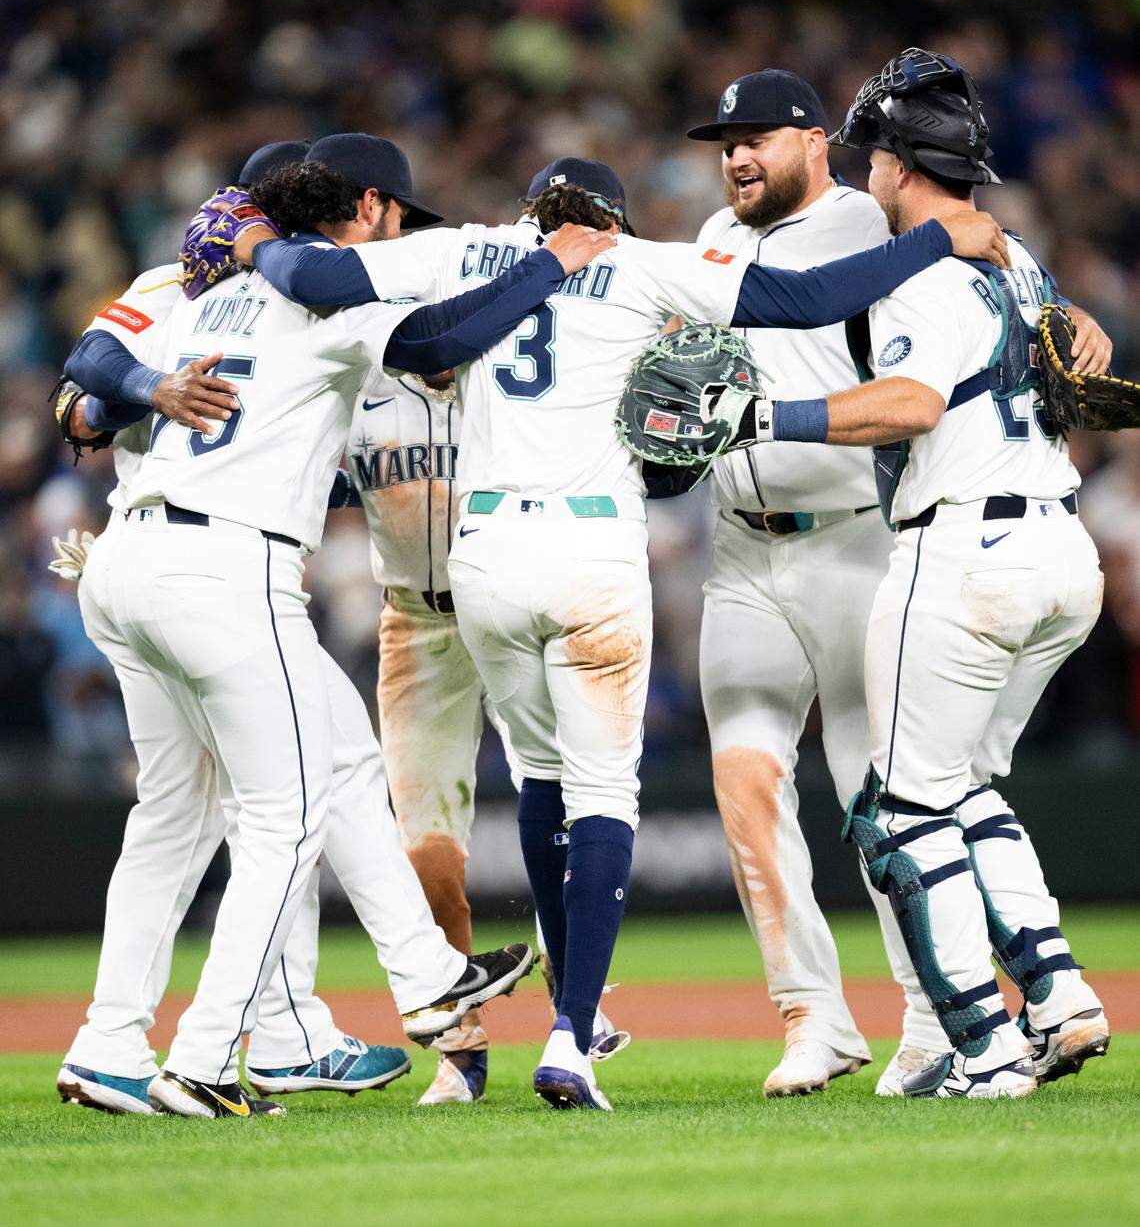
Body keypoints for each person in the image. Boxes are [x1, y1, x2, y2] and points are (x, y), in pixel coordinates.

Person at [236, 143, 1012, 1108]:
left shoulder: (466, 251)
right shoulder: (642, 264)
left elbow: (311, 272)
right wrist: (938, 238)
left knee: (538, 780)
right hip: (591, 552)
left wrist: (251, 228)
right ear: (610, 218)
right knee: (603, 795)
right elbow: (814, 297)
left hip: (479, 557)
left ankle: (544, 1024)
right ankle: (572, 1032)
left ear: (532, 212)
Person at [61, 136, 609, 1117]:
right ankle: (210, 1052)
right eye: (395, 213)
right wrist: (550, 264)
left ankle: (398, 988)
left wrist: (131, 393)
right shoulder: (335, 291)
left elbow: (87, 371)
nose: (400, 231)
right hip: (226, 566)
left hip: (129, 558)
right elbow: (442, 342)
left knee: (293, 774)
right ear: (367, 208)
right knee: (282, 815)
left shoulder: (200, 289)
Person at [684, 71, 1113, 1095]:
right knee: (954, 787)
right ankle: (1052, 993)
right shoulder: (1008, 253)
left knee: (900, 803)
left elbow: (906, 389)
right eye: (725, 137)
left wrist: (763, 419)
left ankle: (966, 1038)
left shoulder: (896, 246)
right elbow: (1060, 340)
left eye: (760, 133)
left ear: (856, 154)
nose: (738, 152)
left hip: (929, 545)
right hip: (1038, 539)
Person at [262, 143, 627, 1104]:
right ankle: (461, 1050)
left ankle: (579, 994)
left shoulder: (499, 341)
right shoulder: (354, 354)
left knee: (562, 788)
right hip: (411, 619)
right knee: (426, 844)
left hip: (500, 593)